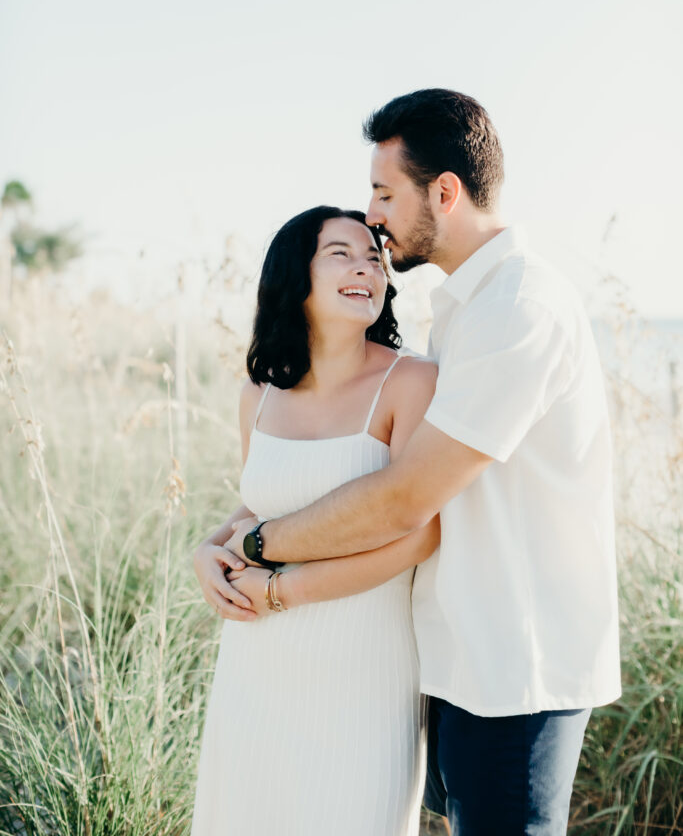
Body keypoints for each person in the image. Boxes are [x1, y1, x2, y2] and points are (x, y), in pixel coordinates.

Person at [222, 90, 622, 835]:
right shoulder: (467, 307)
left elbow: (405, 499)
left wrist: (256, 554)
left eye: (383, 192)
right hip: (458, 653)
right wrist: (220, 543)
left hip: (515, 662)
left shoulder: (518, 307)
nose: (371, 214)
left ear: (443, 192)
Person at [190, 205, 439, 836]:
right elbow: (265, 505)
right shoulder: (259, 395)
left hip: (364, 667)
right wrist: (208, 549)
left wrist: (282, 590)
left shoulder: (410, 382)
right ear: (293, 274)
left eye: (374, 258)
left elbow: (420, 532)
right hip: (257, 662)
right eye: (341, 254)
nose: (366, 268)